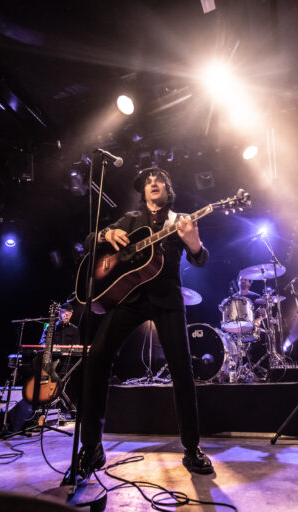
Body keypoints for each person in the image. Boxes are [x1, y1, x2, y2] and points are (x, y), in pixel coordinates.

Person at [65, 167, 213, 482]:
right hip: (129, 300)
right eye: (147, 181)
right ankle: (91, 447)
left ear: (168, 189)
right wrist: (105, 234)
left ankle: (192, 447)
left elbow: (200, 259)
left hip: (166, 300)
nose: (152, 182)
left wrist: (194, 242)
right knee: (97, 357)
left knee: (182, 370)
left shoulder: (181, 219)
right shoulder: (130, 220)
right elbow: (91, 239)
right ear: (143, 193)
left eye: (159, 179)